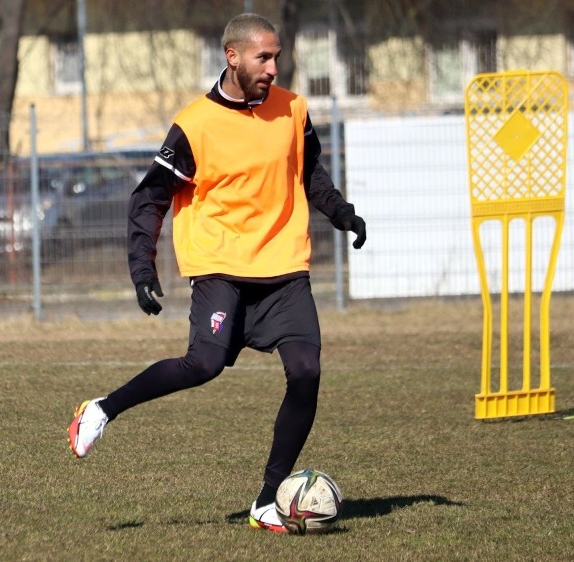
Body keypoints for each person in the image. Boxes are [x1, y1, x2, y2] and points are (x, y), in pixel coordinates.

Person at [67, 12, 366, 533]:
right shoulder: (195, 124)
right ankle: (101, 410)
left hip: (284, 269)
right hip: (221, 269)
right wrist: (142, 268)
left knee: (307, 371)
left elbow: (309, 170)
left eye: (277, 57)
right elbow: (149, 199)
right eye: (264, 57)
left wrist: (340, 211)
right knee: (202, 365)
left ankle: (268, 502)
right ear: (233, 57)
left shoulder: (294, 109)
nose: (274, 67)